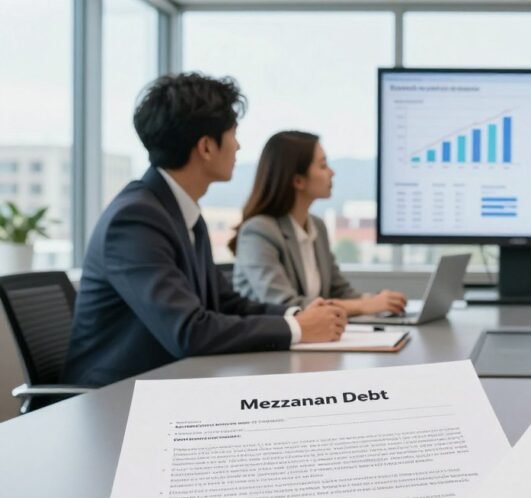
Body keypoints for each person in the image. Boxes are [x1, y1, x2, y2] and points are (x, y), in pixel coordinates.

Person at [64, 73, 347, 387]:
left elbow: (227, 303)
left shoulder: (182, 214)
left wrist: (296, 314)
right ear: (206, 147)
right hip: (114, 400)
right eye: (233, 134)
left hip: (169, 384)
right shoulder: (134, 220)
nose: (238, 146)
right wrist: (299, 329)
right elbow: (189, 331)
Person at [229, 131, 407, 315]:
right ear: (298, 180)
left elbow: (340, 292)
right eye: (323, 166)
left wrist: (378, 301)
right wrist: (364, 306)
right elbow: (285, 305)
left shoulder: (317, 227)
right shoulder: (258, 232)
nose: (332, 172)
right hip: (269, 341)